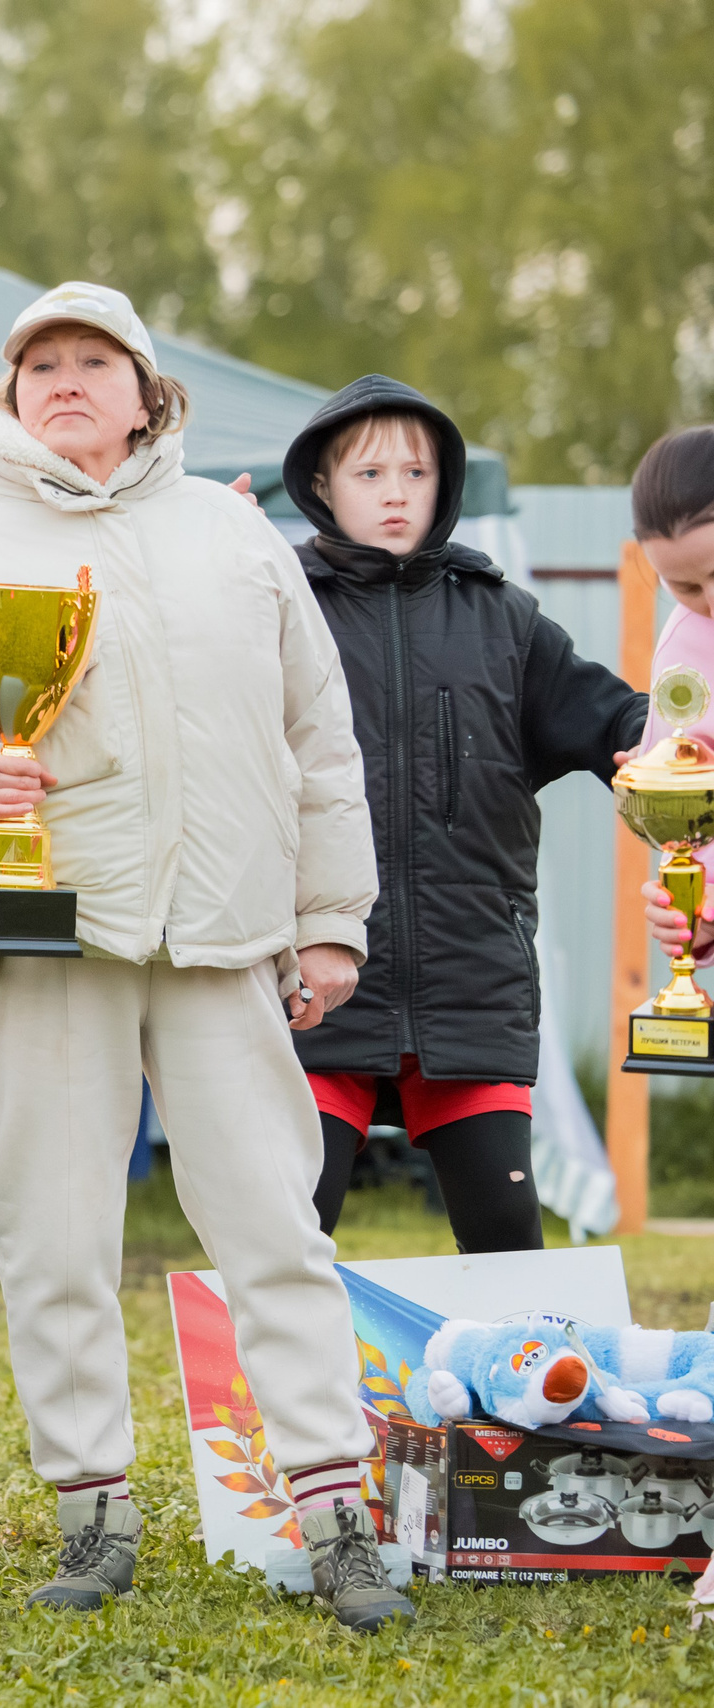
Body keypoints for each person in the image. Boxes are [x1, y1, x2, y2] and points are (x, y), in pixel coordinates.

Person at [0, 282, 413, 1632]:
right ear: (11, 393)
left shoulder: (232, 532)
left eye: (96, 361)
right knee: (53, 1233)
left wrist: (331, 920)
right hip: (43, 936)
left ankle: (337, 1515)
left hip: (222, 936)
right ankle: (93, 1511)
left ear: (148, 396)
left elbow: (319, 738)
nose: (68, 381)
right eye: (42, 364)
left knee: (275, 1226)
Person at [283, 377, 642, 1250]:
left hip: (472, 983)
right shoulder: (276, 605)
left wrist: (682, 738)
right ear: (322, 486)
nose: (397, 493)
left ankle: (517, 1355)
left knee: (507, 1231)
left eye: (417, 472)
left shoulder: (506, 619)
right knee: (289, 1231)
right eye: (370, 474)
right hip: (313, 984)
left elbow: (621, 727)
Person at [629, 430, 714, 963]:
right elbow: (693, 823)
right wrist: (699, 917)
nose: (711, 602)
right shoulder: (683, 649)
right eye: (684, 587)